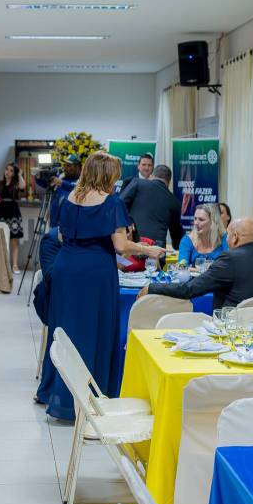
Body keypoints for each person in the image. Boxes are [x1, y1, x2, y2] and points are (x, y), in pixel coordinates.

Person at [36, 151, 165, 421]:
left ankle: (57, 393)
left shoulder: (70, 198)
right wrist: (147, 250)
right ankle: (91, 397)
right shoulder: (111, 202)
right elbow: (121, 245)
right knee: (94, 330)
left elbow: (62, 236)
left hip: (66, 268)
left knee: (66, 330)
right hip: (95, 273)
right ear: (107, 175)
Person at [140, 218, 253, 310]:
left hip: (230, 333)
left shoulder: (229, 260)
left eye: (228, 235)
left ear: (235, 237)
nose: (226, 240)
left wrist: (152, 287)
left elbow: (190, 289)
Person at [120, 164, 184, 250]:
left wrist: (129, 223)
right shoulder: (174, 201)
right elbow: (177, 239)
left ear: (152, 176)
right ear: (169, 182)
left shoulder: (137, 183)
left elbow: (119, 204)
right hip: (156, 249)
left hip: (132, 243)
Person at [0, 162, 26, 274]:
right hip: (0, 212)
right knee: (0, 239)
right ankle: (2, 265)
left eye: (11, 171)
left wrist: (20, 174)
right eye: (7, 169)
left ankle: (15, 265)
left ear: (14, 173)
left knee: (14, 240)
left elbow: (23, 186)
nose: (8, 172)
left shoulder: (16, 184)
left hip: (13, 212)